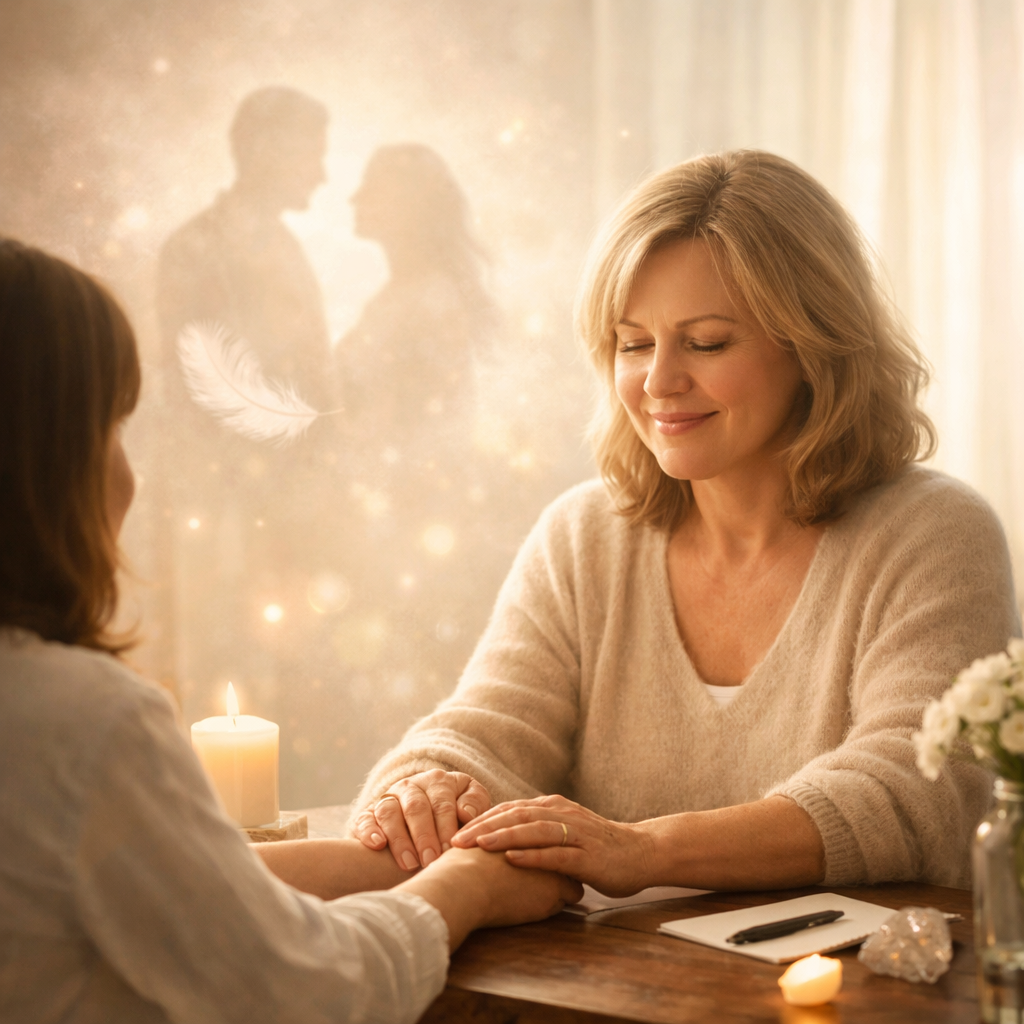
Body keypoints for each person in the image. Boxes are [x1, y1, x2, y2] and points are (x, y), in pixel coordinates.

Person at [348, 150, 1020, 893]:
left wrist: (644, 853)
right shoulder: (583, 537)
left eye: (705, 342)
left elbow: (914, 791)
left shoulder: (934, 534)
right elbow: (487, 729)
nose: (659, 383)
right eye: (633, 344)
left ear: (813, 346)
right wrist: (423, 787)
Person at [0, 239, 581, 1024]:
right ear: (39, 464)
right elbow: (307, 989)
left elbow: (183, 883)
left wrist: (376, 859)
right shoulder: (77, 722)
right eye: (112, 431)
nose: (129, 478)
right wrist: (467, 883)